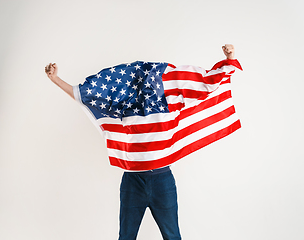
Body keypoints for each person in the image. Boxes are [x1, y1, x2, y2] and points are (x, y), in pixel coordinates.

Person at [45, 44, 238, 240]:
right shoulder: (122, 105)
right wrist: (56, 79)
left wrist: (229, 59)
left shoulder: (170, 102)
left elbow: (204, 84)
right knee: (126, 236)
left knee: (172, 236)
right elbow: (87, 98)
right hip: (132, 181)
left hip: (162, 180)